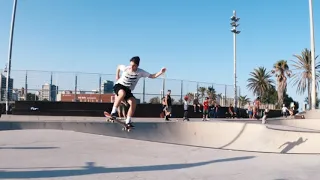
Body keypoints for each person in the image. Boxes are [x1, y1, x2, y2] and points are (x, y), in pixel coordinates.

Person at [104, 56, 166, 127]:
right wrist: (117, 76)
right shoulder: (126, 68)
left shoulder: (141, 72)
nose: (131, 67)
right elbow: (118, 67)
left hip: (128, 90)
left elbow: (152, 76)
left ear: (137, 65)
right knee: (122, 93)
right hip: (119, 85)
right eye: (130, 65)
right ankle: (113, 113)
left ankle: (128, 121)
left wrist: (161, 72)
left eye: (133, 66)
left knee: (133, 102)